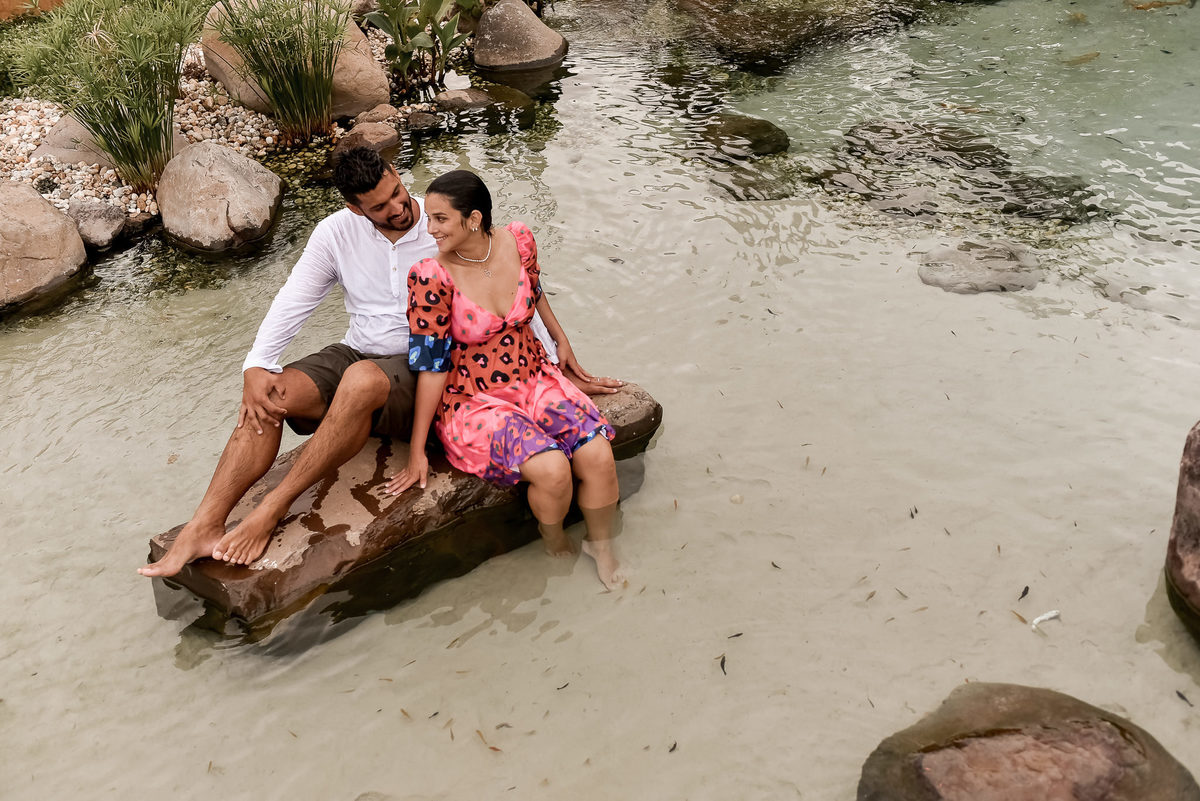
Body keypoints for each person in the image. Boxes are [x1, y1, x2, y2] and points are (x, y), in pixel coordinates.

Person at [139, 148, 617, 578]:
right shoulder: (335, 233)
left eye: (397, 191)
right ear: (355, 208)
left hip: (421, 367)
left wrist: (556, 358)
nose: (400, 208)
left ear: (397, 174)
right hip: (358, 348)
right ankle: (204, 525)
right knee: (271, 396)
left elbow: (506, 288)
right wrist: (256, 365)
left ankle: (270, 508)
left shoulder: (442, 228)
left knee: (362, 381)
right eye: (381, 206)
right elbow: (294, 300)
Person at [386, 170, 625, 590]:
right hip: (474, 399)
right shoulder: (430, 276)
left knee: (599, 455)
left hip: (534, 376)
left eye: (441, 218)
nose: (430, 228)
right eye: (431, 217)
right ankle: (553, 542)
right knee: (552, 471)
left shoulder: (519, 240)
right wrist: (418, 448)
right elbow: (430, 365)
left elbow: (535, 291)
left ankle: (601, 545)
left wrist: (560, 338)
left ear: (474, 218)